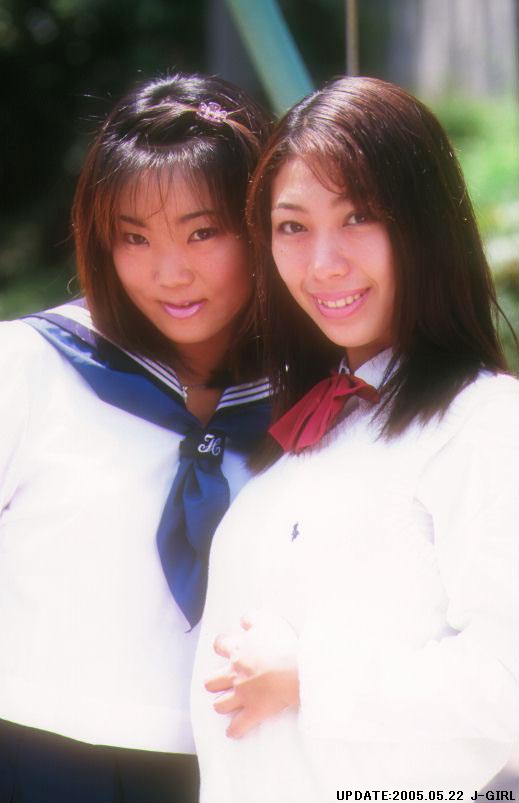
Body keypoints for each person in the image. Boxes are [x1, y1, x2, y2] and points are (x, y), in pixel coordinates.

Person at [191, 76, 519, 801]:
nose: (323, 263)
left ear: (426, 224)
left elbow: (506, 681)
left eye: (359, 216)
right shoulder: (307, 431)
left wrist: (308, 676)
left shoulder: (487, 422)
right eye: (291, 227)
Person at [0, 72, 271, 803]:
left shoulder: (310, 402)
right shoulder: (29, 367)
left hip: (229, 767)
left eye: (203, 232)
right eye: (134, 237)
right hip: (30, 757)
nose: (169, 272)